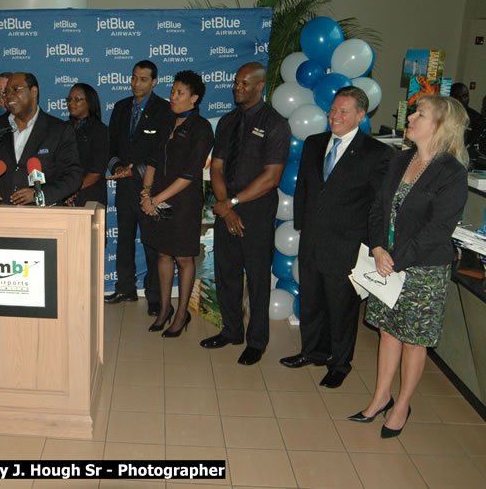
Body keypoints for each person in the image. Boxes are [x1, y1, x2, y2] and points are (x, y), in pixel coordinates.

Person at [351, 95, 468, 438]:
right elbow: (377, 209)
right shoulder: (399, 160)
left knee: (414, 340)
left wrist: (396, 259)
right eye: (414, 112)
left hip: (423, 269)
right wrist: (377, 247)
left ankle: (402, 405)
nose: (411, 118)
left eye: (421, 114)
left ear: (440, 126)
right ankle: (380, 397)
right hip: (386, 259)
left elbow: (438, 230)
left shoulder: (451, 173)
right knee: (387, 331)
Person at [280, 86, 393, 388]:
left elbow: (378, 205)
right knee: (312, 299)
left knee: (342, 307)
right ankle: (313, 351)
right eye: (333, 109)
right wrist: (303, 223)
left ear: (360, 115)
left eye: (343, 111)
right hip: (312, 238)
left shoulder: (377, 153)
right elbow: (303, 186)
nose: (335, 116)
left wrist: (371, 244)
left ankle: (340, 363)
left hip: (347, 244)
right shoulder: (315, 143)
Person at [199, 62, 290, 366]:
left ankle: (256, 341)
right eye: (236, 82)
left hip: (256, 209)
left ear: (260, 86)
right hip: (227, 207)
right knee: (226, 273)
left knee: (258, 278)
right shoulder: (227, 121)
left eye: (244, 83)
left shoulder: (276, 123)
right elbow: (217, 167)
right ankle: (231, 331)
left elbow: (272, 177)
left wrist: (234, 203)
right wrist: (226, 207)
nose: (237, 87)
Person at [141, 70, 214, 337]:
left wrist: (156, 199)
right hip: (157, 200)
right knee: (163, 253)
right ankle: (164, 308)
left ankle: (181, 314)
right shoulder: (165, 122)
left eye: (180, 93)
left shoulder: (201, 128)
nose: (173, 96)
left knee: (183, 257)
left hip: (183, 203)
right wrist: (146, 194)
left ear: (194, 98)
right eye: (172, 91)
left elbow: (190, 174)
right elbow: (152, 162)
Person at [105, 60, 175, 316]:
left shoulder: (164, 110)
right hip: (123, 187)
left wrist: (134, 170)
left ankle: (155, 295)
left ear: (154, 82)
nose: (137, 83)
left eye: (143, 79)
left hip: (151, 189)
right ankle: (125, 287)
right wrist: (117, 168)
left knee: (151, 244)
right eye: (134, 78)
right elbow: (111, 145)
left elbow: (162, 152)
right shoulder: (121, 107)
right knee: (124, 239)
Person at [0, 72, 82, 205]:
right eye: (6, 92)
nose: (9, 96)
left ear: (33, 92)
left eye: (15, 90)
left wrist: (39, 194)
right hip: (1, 213)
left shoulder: (58, 130)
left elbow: (73, 176)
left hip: (44, 216)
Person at [65, 83, 109, 207]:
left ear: (89, 102)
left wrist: (74, 189)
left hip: (89, 197)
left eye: (77, 99)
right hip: (63, 196)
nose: (71, 103)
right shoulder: (62, 128)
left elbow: (96, 172)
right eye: (69, 99)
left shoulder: (99, 130)